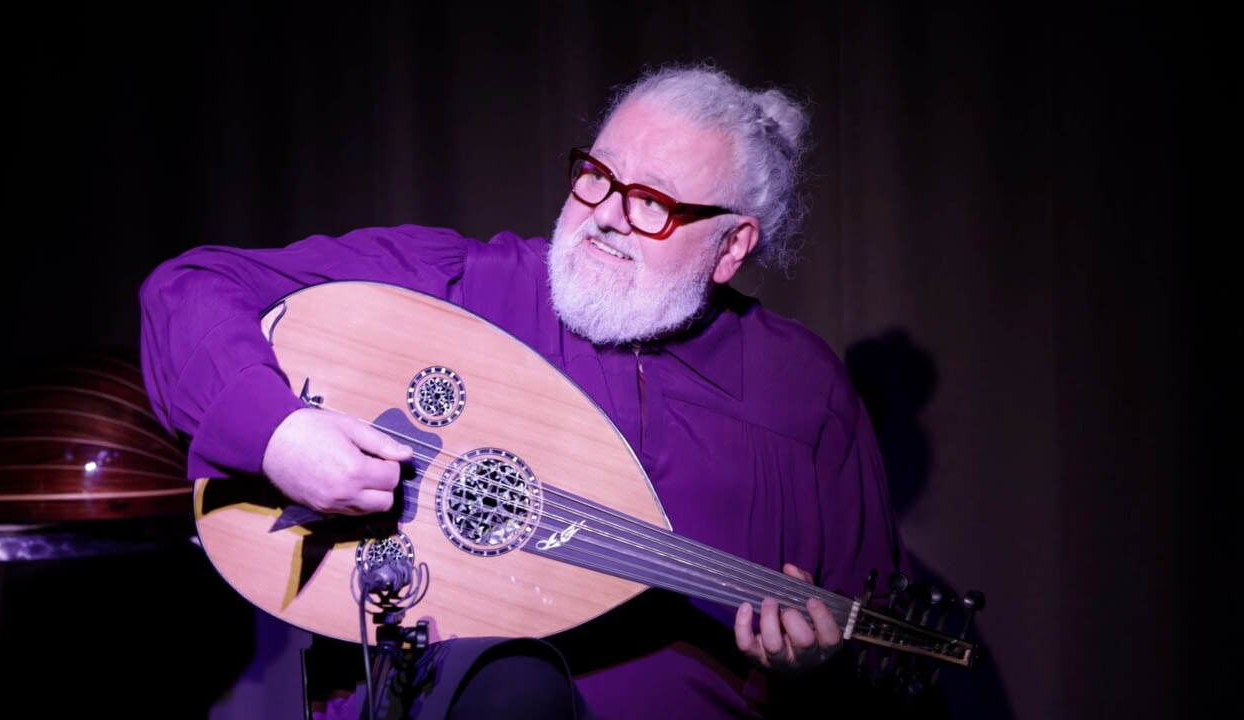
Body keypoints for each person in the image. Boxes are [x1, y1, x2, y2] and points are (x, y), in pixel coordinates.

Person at [139, 63, 905, 719]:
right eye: (598, 174)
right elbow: (190, 288)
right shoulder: (470, 289)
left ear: (731, 245)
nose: (606, 216)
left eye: (652, 202)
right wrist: (281, 434)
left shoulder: (801, 390)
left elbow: (874, 655)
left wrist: (817, 666)